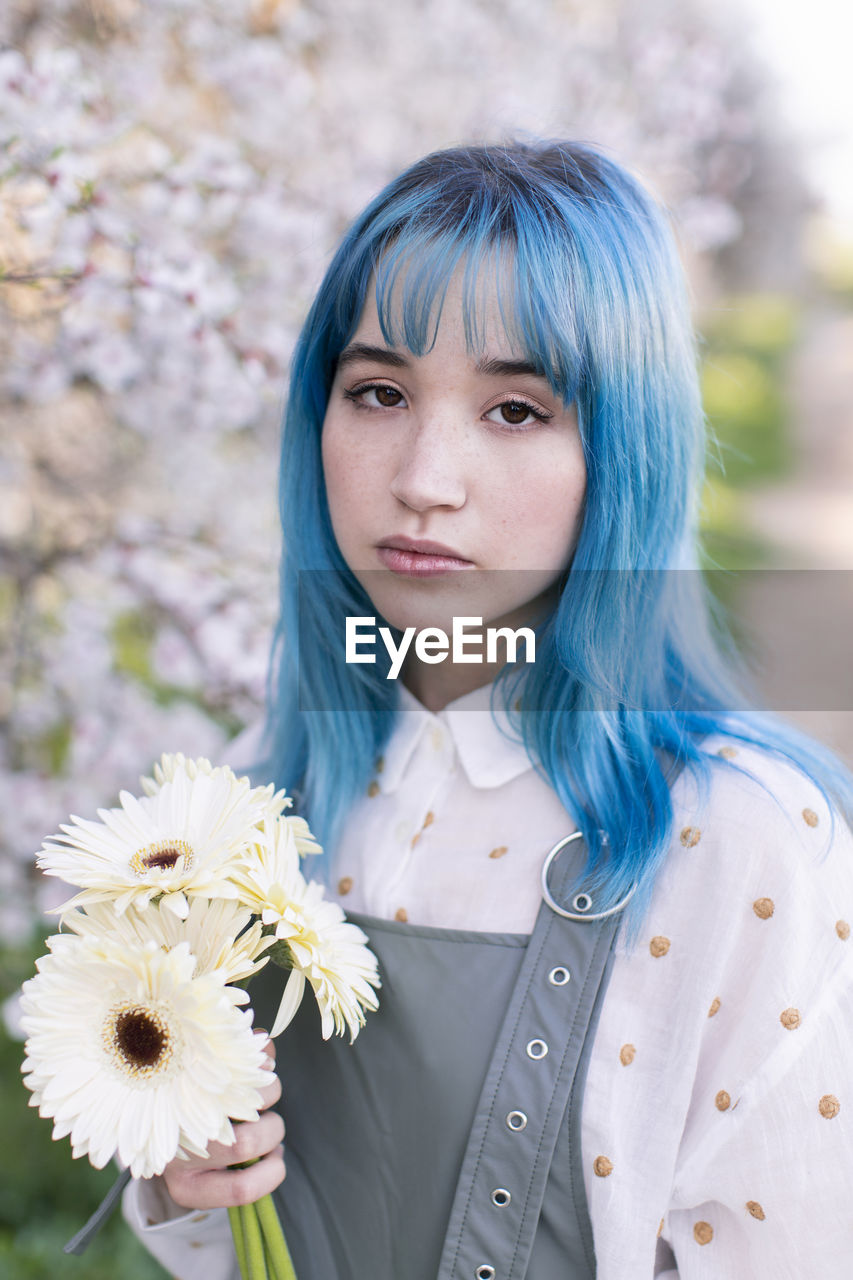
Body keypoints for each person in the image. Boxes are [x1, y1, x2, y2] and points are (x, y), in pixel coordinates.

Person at [124, 140, 853, 1278]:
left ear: (621, 449)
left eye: (514, 410)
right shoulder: (257, 795)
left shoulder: (736, 835)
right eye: (378, 392)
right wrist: (190, 1184)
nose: (424, 475)